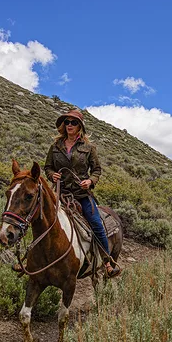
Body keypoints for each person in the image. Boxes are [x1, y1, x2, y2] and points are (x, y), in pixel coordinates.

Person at [44, 109, 121, 277]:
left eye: (74, 122)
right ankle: (32, 258)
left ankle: (107, 262)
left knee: (96, 223)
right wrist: (52, 175)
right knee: (40, 217)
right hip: (60, 192)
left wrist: (90, 181)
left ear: (80, 126)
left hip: (81, 194)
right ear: (63, 125)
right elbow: (48, 167)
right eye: (67, 122)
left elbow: (97, 169)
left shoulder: (89, 147)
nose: (70, 125)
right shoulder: (55, 146)